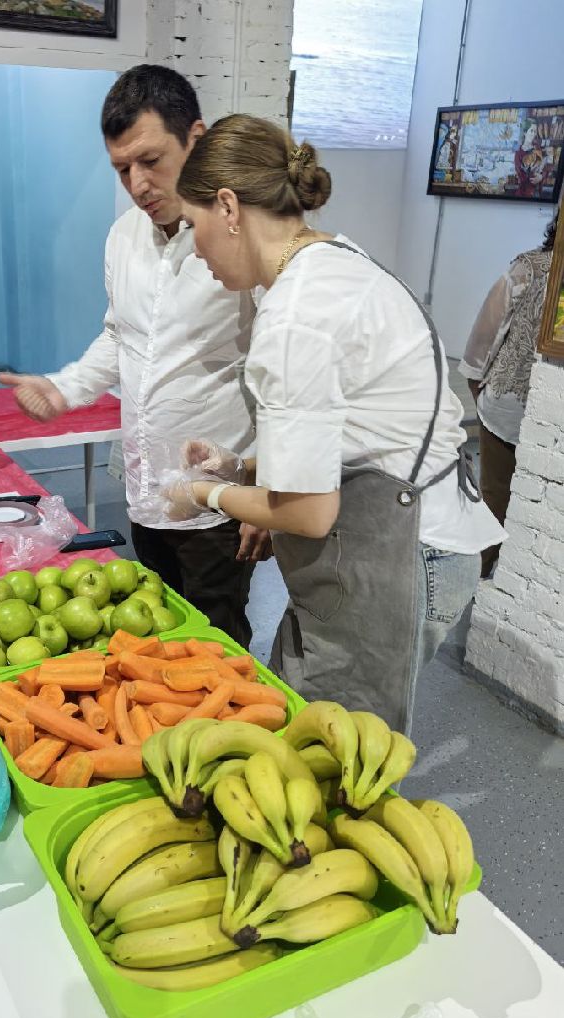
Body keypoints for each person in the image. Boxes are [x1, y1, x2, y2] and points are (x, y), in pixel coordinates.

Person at [163, 114, 505, 735]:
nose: (196, 249)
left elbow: (311, 512)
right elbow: (350, 428)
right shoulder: (333, 263)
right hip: (413, 536)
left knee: (330, 756)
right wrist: (245, 470)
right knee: (300, 725)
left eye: (193, 226)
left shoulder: (297, 313)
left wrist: (204, 495)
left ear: (229, 206)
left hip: (399, 557)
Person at [0, 66, 269, 647]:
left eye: (151, 160)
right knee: (150, 638)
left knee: (214, 645)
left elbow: (285, 373)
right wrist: (65, 387)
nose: (139, 183)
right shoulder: (123, 237)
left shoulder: (245, 236)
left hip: (216, 500)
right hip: (147, 490)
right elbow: (121, 336)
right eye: (123, 169)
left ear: (196, 139)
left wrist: (267, 489)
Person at [459, 209, 559, 576]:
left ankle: (479, 576)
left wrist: (479, 385)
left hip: (506, 405)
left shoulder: (528, 269)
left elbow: (485, 334)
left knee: (495, 494)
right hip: (544, 419)